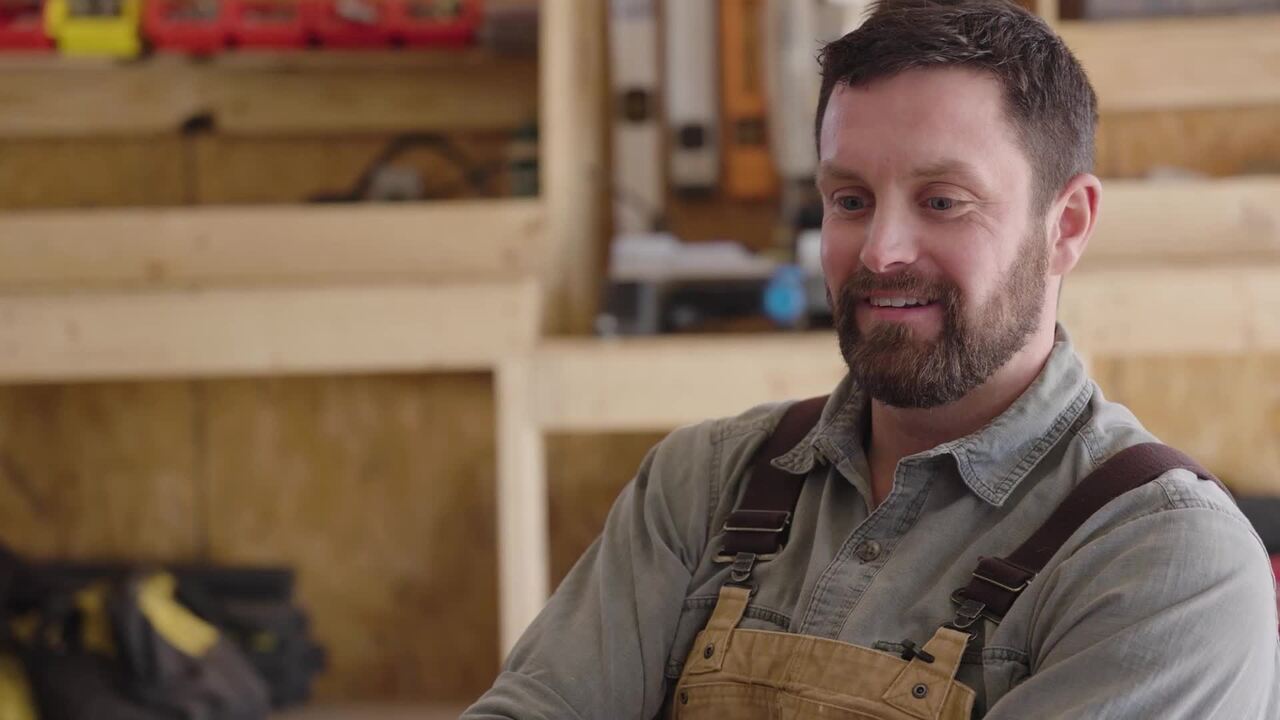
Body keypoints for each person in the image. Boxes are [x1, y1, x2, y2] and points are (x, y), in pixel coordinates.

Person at [463, 1, 1280, 717]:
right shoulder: (700, 486)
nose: (881, 251)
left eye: (942, 202)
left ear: (1066, 225)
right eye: (850, 200)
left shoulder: (1164, 562)